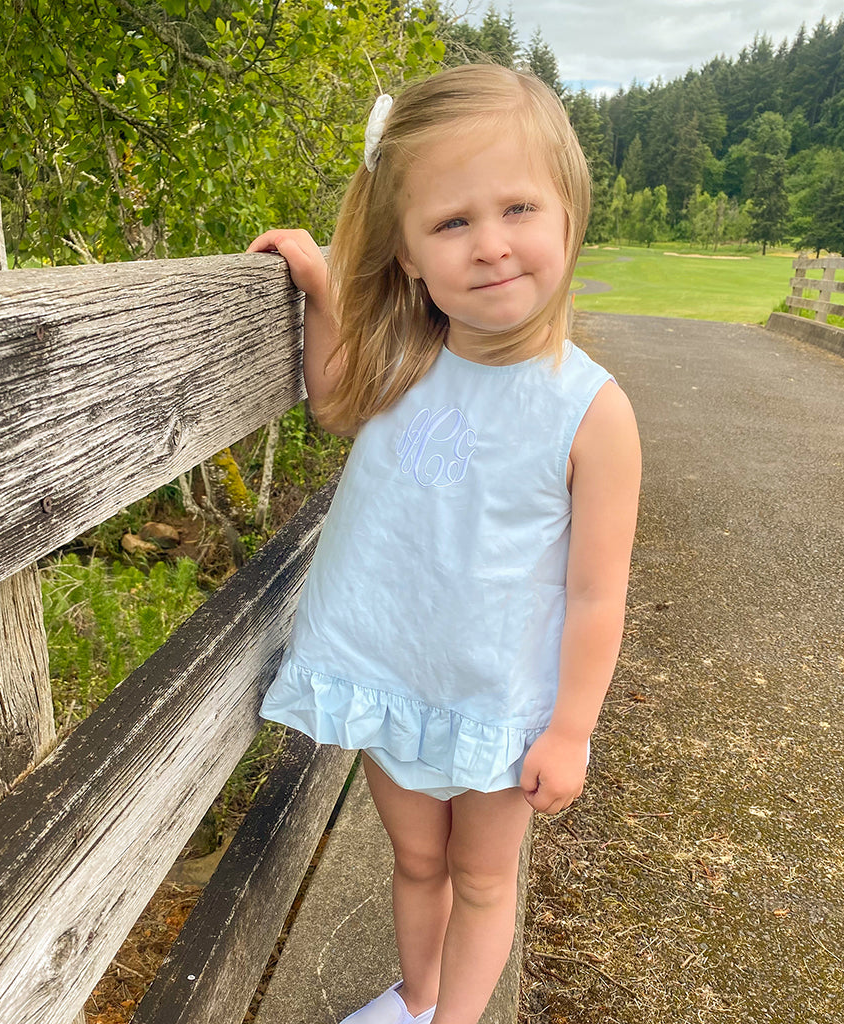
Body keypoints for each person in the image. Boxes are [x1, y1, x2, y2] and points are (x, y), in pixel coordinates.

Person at [247, 63, 641, 1024]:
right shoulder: (408, 357)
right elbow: (336, 399)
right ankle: (414, 1000)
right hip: (392, 671)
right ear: (411, 255)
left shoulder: (592, 413)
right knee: (416, 860)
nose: (492, 245)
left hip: (496, 701)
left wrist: (571, 730)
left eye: (518, 207)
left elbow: (596, 595)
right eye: (452, 222)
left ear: (568, 217)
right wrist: (317, 278)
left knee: (479, 875)